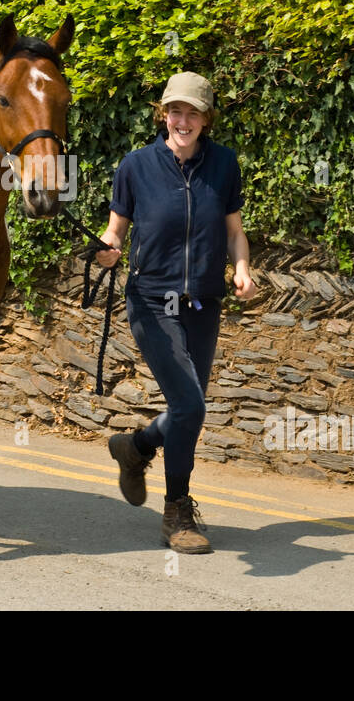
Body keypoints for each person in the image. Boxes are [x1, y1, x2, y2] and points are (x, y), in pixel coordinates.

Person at [95, 71, 257, 553]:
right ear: (162, 114)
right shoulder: (136, 166)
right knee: (190, 405)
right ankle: (177, 512)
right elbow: (116, 232)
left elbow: (233, 231)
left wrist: (242, 267)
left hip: (204, 303)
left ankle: (137, 446)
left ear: (206, 120)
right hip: (151, 301)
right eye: (175, 111)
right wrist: (107, 250)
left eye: (193, 112)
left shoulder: (224, 165)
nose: (182, 120)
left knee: (188, 410)